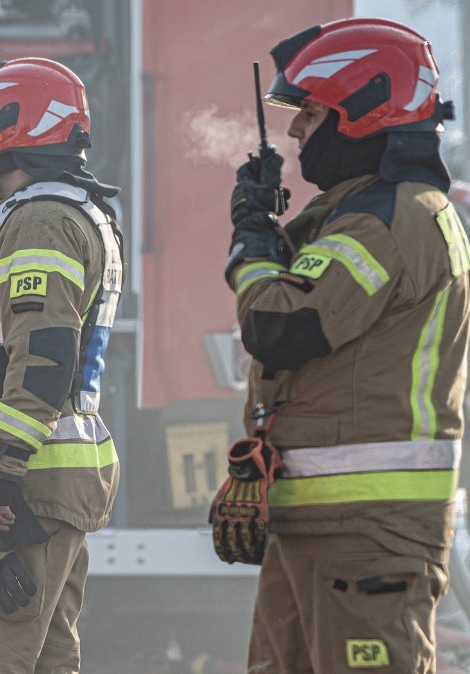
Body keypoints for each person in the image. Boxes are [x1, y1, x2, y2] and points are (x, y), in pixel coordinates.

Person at [215, 17, 466, 673]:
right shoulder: (357, 214)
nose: (297, 130)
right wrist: (262, 227)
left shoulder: (393, 216)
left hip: (367, 533)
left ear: (359, 112)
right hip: (324, 524)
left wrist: (251, 246)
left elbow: (283, 326)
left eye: (312, 112)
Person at [0, 57, 123, 674]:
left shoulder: (40, 221)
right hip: (39, 482)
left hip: (23, 489)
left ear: (8, 133)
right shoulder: (34, 215)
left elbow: (44, 358)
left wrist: (1, 472)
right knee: (40, 659)